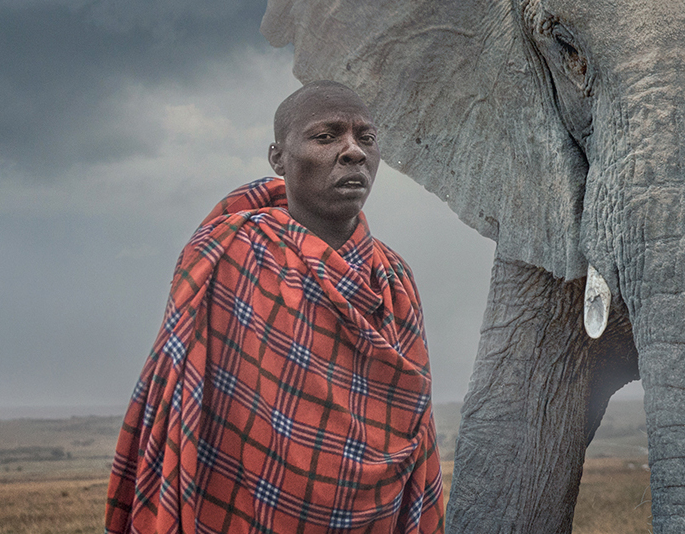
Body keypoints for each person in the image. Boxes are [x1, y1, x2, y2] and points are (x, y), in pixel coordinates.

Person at [106, 81, 444, 534]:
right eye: (326, 137)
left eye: (366, 138)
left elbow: (412, 422)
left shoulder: (395, 279)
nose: (353, 152)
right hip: (239, 507)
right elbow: (181, 399)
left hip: (375, 519)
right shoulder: (227, 253)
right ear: (277, 158)